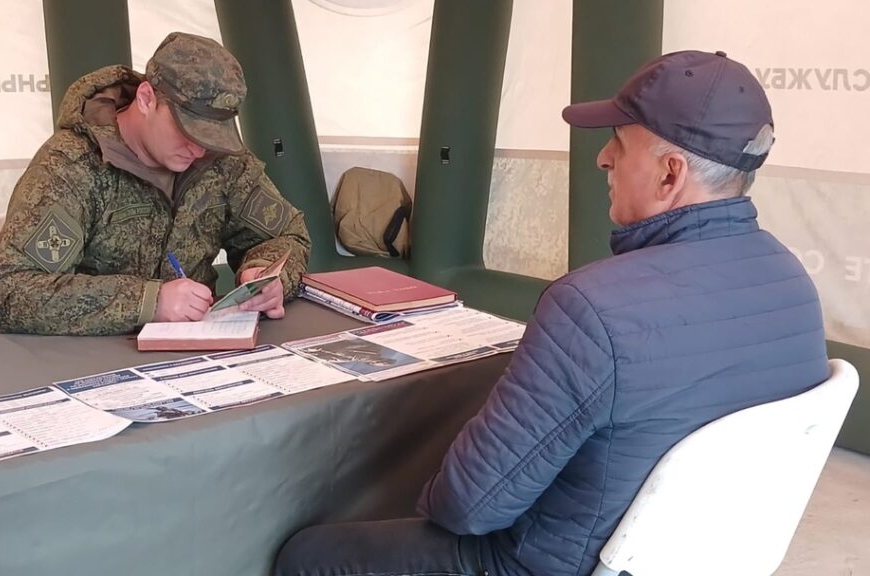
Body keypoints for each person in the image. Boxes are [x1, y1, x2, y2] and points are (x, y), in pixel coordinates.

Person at [273, 50, 829, 576]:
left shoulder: (592, 308)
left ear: (669, 174)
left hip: (545, 564)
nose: (603, 157)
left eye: (619, 143)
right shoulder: (793, 283)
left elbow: (468, 508)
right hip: (704, 555)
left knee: (307, 554)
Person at [0, 32, 311, 336]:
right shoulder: (72, 167)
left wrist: (266, 276)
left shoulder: (222, 162)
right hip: (88, 360)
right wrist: (148, 302)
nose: (198, 149)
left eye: (211, 136)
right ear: (145, 99)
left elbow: (288, 234)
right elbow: (10, 288)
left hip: (196, 352)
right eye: (187, 130)